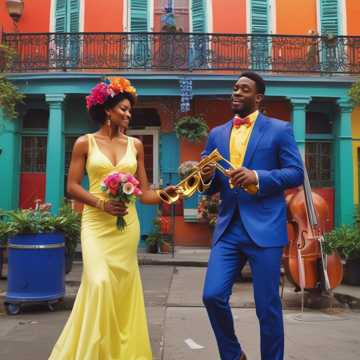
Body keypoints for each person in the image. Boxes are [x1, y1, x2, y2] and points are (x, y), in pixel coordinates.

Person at [49, 77, 176, 360]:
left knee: (120, 289)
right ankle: (93, 351)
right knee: (99, 282)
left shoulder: (136, 145)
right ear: (108, 110)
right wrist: (102, 204)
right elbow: (71, 186)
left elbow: (144, 194)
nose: (128, 114)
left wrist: (167, 193)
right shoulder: (85, 143)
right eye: (123, 109)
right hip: (96, 224)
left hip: (126, 226)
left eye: (130, 110)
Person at [199, 71, 304, 360]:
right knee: (212, 296)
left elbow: (296, 173)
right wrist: (206, 178)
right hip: (228, 227)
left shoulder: (280, 129)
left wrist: (257, 176)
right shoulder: (217, 133)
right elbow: (208, 188)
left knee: (267, 307)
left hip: (265, 228)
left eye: (243, 89)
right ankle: (233, 355)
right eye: (234, 88)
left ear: (258, 97)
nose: (236, 92)